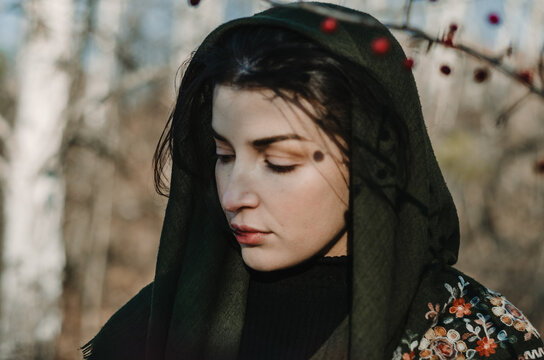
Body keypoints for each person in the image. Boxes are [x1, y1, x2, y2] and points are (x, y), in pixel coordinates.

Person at [82, 2, 543, 359]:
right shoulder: (156, 323)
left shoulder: (478, 337)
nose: (234, 195)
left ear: (369, 161)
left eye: (279, 162)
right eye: (223, 155)